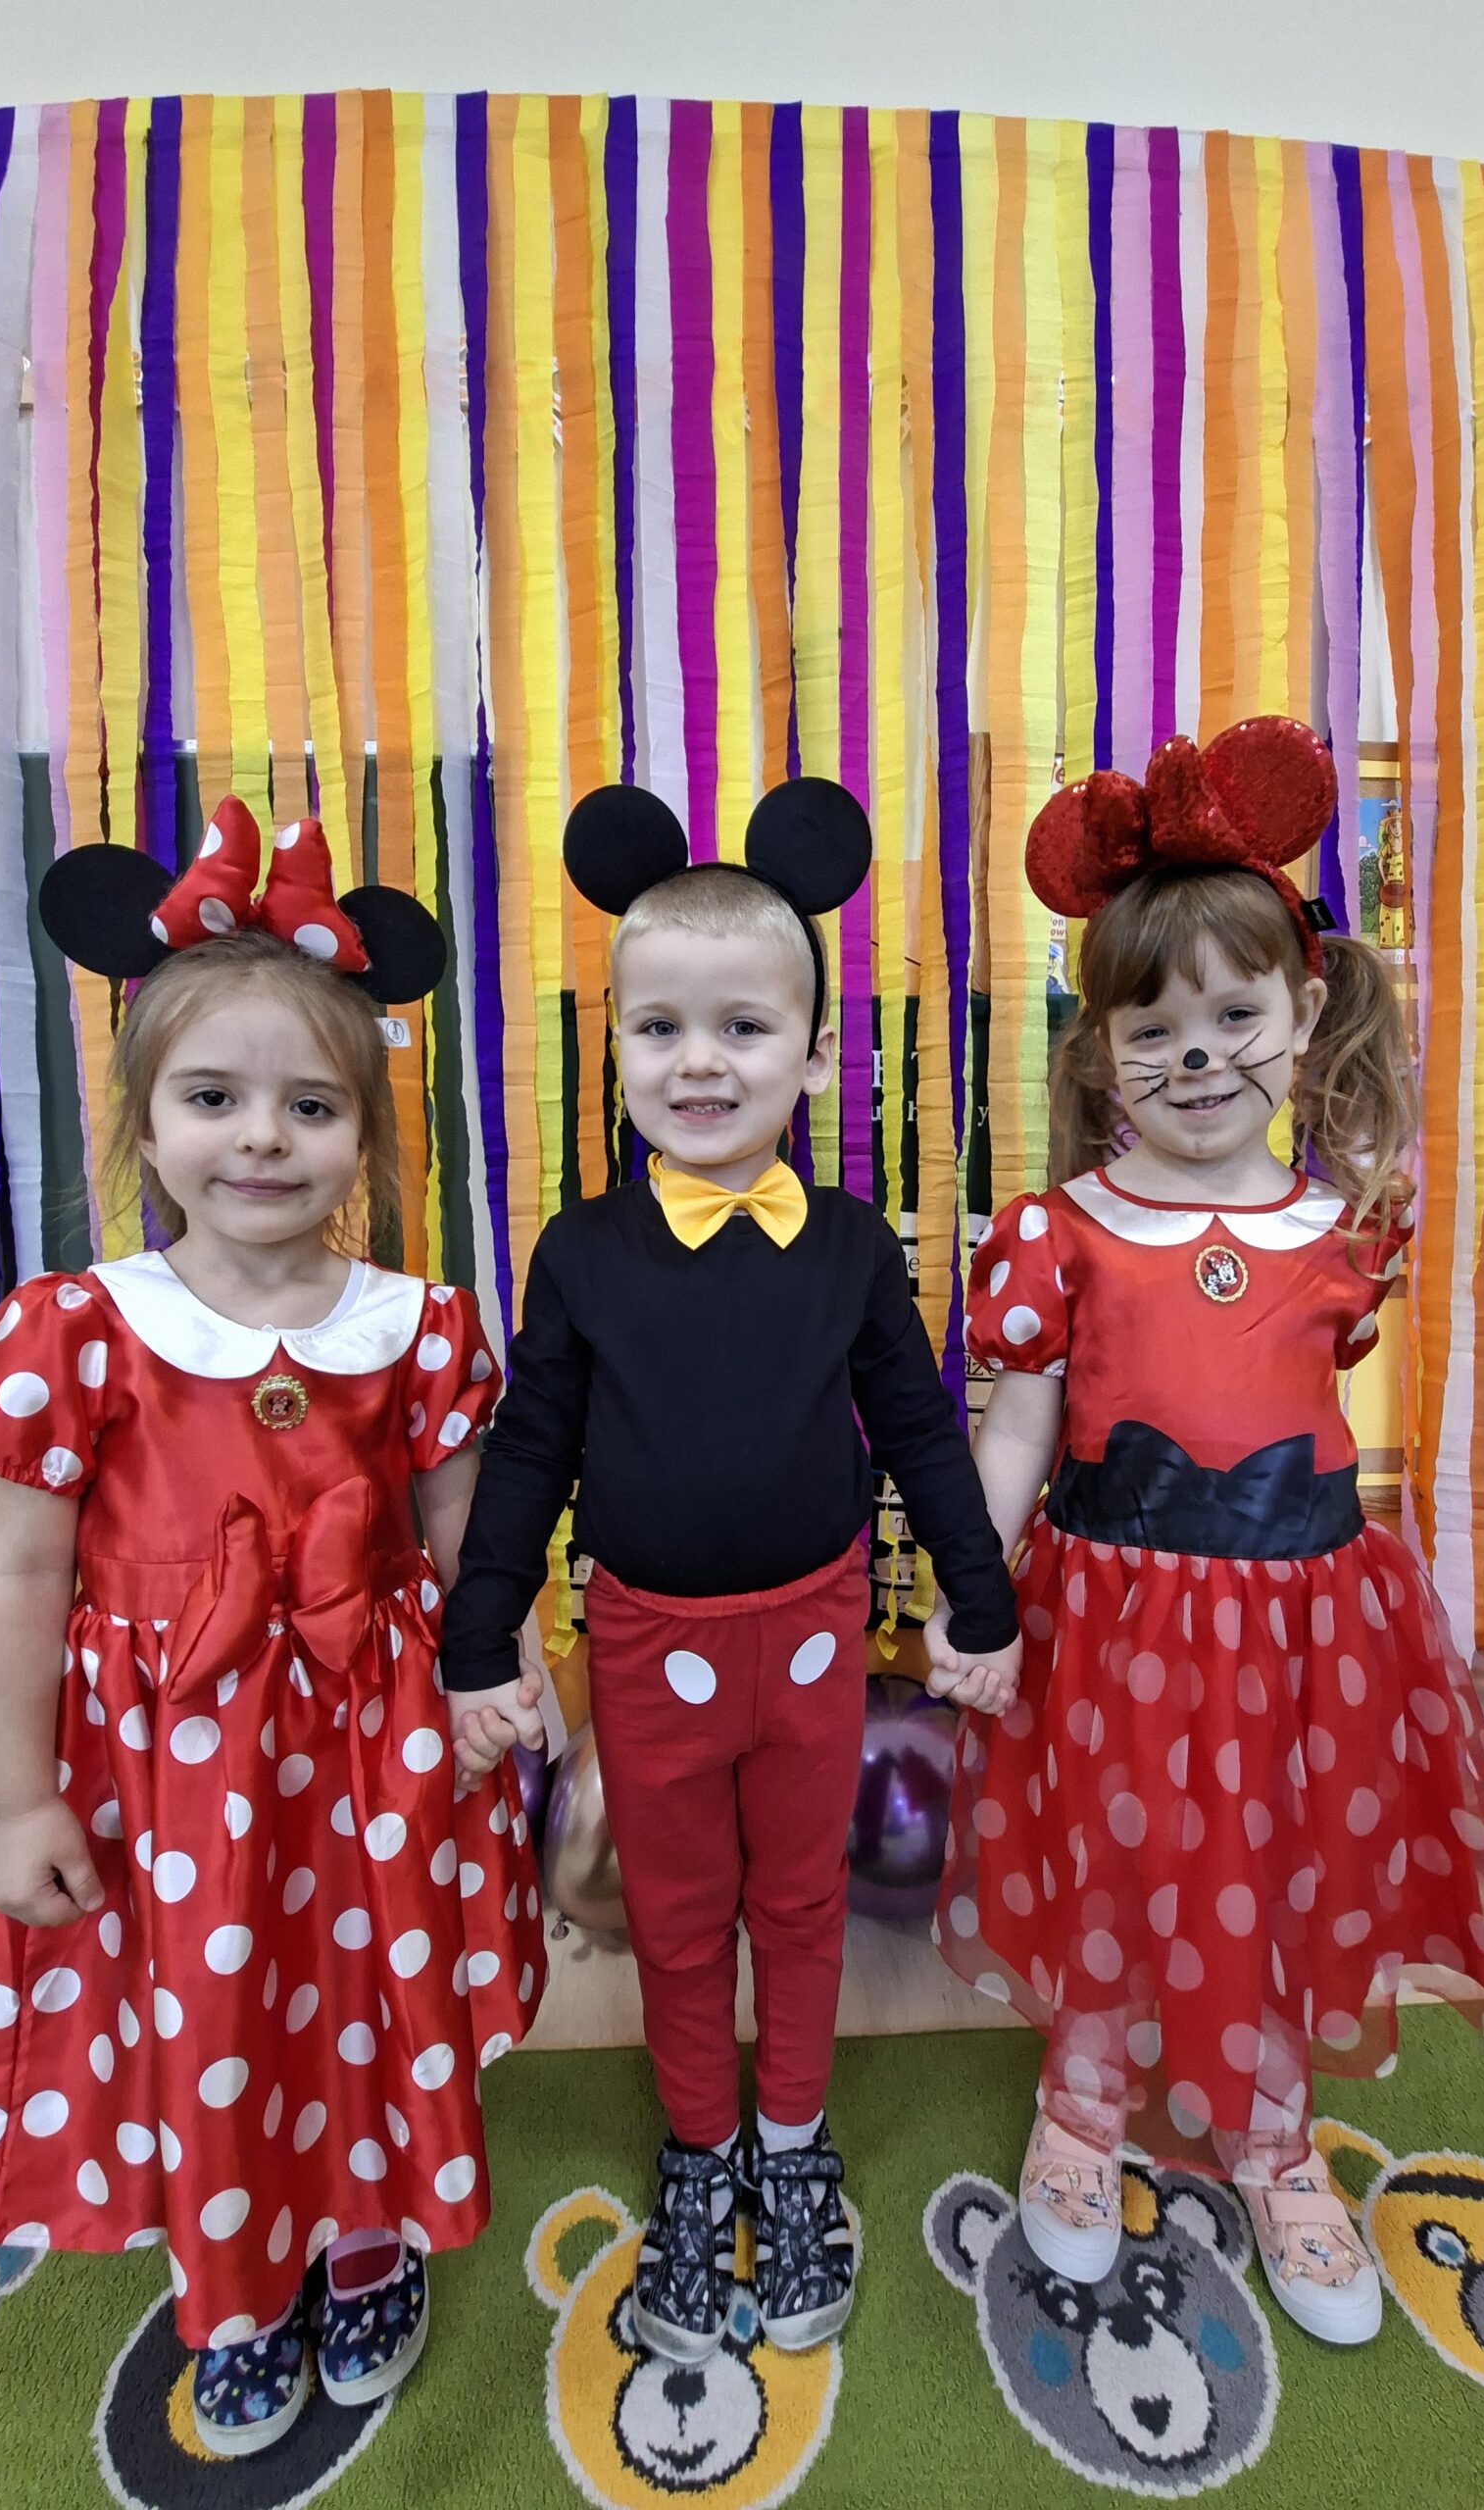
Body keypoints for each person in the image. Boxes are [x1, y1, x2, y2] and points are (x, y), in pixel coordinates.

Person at [933, 721, 1484, 2347]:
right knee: (1111, 1854)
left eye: (1234, 1018)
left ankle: (1276, 2140)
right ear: (1101, 1045)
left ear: (1302, 1009)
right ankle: (1082, 2108)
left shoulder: (1344, 1230)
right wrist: (975, 1600)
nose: (1197, 1058)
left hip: (1306, 1625)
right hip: (1112, 1615)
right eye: (1156, 1027)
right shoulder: (1057, 1234)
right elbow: (1017, 1430)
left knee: (1276, 1863)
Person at [0, 801, 546, 2457]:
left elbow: (463, 1537)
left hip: (373, 1746)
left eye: (312, 1105)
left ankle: (367, 2236)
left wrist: (507, 1678)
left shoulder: (417, 1328)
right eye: (214, 1099)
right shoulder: (80, 1333)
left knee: (364, 1986)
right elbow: (20, 1576)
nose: (263, 1140)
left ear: (365, 1131)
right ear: (144, 1121)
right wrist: (22, 1798)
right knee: (216, 2016)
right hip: (175, 1771)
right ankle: (235, 2281)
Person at [441, 778, 1021, 2364]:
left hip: (819, 1635)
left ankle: (793, 2140)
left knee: (802, 1902)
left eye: (743, 1029)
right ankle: (700, 2152)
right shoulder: (578, 1254)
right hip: (648, 1643)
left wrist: (980, 1599)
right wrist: (482, 1631)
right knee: (681, 1914)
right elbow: (529, 1451)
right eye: (660, 1030)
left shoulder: (851, 1249)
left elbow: (919, 1430)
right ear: (617, 1051)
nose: (699, 1062)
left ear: (816, 1056)